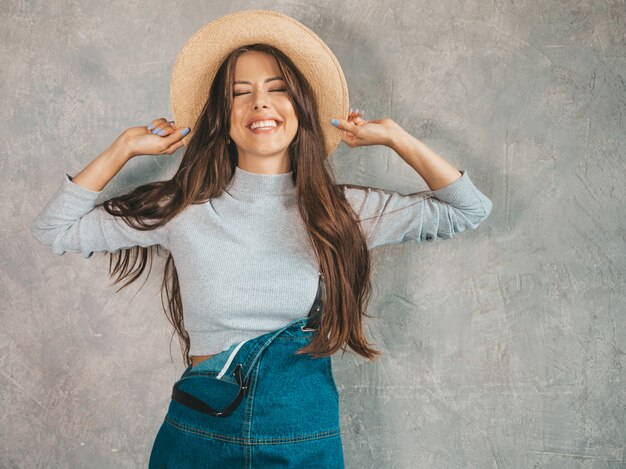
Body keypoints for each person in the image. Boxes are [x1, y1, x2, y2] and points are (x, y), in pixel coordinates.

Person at [29, 9, 493, 468]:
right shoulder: (183, 208)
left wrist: (396, 138)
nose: (261, 103)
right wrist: (123, 148)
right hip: (199, 432)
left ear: (301, 108)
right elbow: (56, 229)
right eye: (240, 93)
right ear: (222, 118)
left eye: (278, 89)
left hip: (301, 434)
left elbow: (468, 209)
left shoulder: (343, 211)